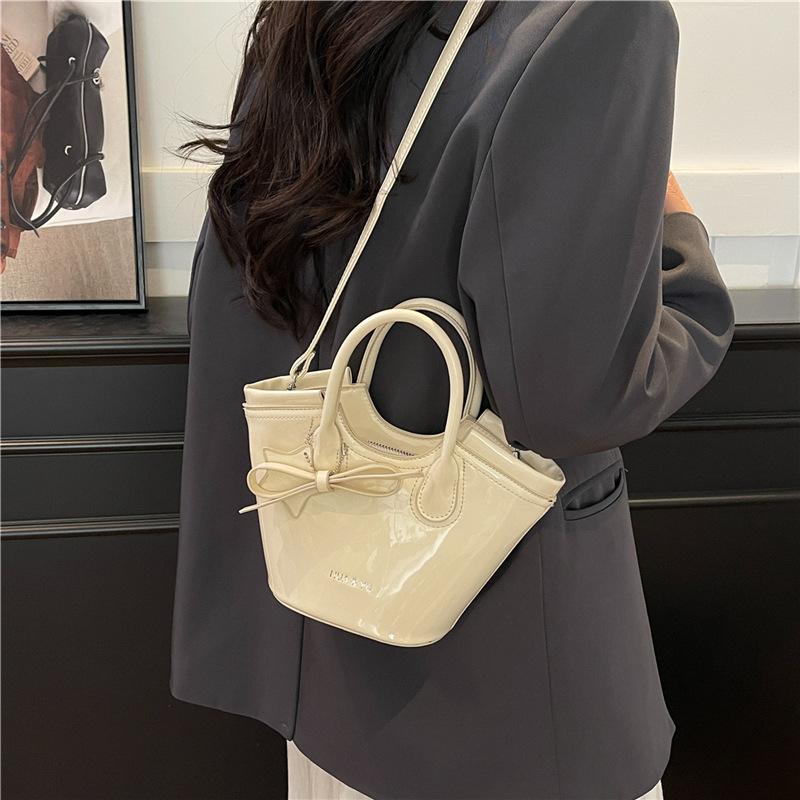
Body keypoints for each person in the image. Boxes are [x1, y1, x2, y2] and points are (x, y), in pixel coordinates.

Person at [170, 2, 736, 798]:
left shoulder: (323, 11)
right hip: (499, 702)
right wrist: (682, 240)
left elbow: (255, 286)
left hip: (324, 652)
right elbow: (578, 400)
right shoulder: (600, 16)